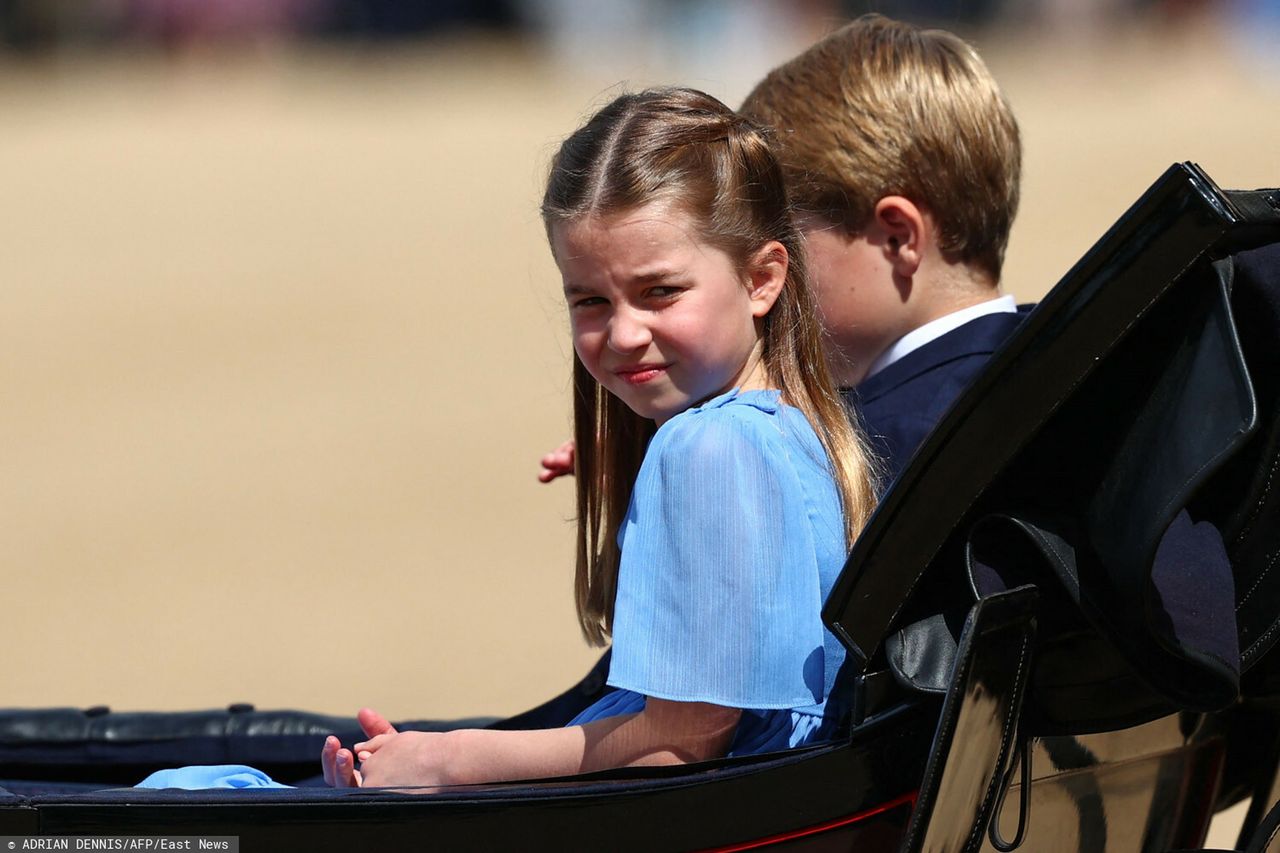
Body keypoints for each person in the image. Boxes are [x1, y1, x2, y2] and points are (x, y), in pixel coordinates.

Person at [141, 87, 879, 790]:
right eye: (589, 299)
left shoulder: (707, 451)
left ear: (763, 279)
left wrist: (449, 762)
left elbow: (682, 739)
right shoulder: (798, 427)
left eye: (660, 291)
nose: (623, 332)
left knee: (180, 797)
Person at [541, 14, 1026, 486]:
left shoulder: (900, 454)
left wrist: (706, 470)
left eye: (784, 236)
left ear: (897, 237)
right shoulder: (1058, 369)